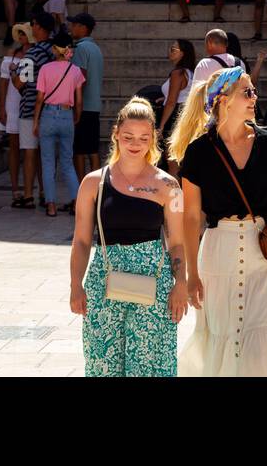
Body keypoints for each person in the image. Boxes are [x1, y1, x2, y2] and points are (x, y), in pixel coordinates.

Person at [168, 66, 267, 376]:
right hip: (217, 252)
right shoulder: (199, 152)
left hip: (264, 252)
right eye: (247, 92)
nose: (255, 97)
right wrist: (191, 274)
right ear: (223, 100)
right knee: (222, 337)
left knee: (262, 337)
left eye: (254, 91)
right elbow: (191, 217)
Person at [70, 96, 188, 376]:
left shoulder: (169, 186)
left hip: (154, 282)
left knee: (151, 365)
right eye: (128, 137)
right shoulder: (92, 183)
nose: (135, 144)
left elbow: (177, 242)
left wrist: (180, 283)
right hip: (103, 281)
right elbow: (82, 240)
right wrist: (76, 284)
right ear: (116, 136)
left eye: (143, 138)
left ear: (152, 140)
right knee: (103, 365)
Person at [33, 32, 85, 218]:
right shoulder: (75, 70)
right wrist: (76, 117)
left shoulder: (45, 69)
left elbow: (39, 99)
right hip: (66, 115)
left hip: (48, 114)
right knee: (67, 162)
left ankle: (51, 205)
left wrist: (36, 121)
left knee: (47, 163)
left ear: (55, 49)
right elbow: (79, 101)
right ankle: (77, 202)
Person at [12, 14, 56, 204]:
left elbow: (20, 83)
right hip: (52, 109)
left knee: (30, 152)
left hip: (31, 108)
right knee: (46, 153)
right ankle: (46, 192)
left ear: (38, 28)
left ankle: (29, 194)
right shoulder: (56, 51)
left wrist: (15, 72)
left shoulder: (32, 54)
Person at [0, 24, 39, 208]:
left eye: (25, 33)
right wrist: (2, 107)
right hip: (13, 103)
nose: (22, 36)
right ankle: (16, 188)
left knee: (32, 150)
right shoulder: (11, 53)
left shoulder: (36, 55)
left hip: (29, 103)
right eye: (20, 33)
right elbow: (3, 83)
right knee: (14, 147)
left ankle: (35, 189)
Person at [68, 13, 105, 182]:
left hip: (82, 106)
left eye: (74, 25)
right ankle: (97, 189)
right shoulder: (95, 48)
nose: (71, 28)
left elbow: (80, 79)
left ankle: (82, 190)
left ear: (83, 27)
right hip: (94, 105)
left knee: (79, 151)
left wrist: (76, 105)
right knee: (92, 149)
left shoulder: (81, 48)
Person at [158, 40, 195, 173]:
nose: (170, 52)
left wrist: (161, 126)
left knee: (172, 163)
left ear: (183, 54)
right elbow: (183, 94)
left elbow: (172, 102)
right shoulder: (190, 72)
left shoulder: (177, 73)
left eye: (174, 49)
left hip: (174, 117)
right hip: (185, 114)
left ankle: (175, 193)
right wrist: (164, 97)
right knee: (179, 160)